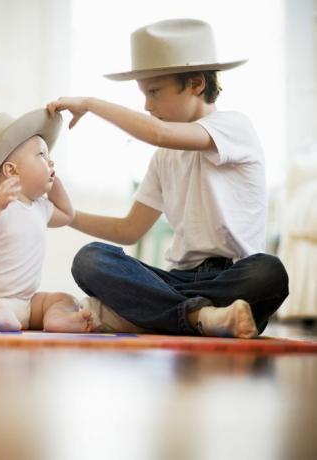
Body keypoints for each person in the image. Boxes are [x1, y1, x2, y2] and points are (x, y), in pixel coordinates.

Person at [46, 18, 289, 338]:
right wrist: (70, 217)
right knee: (89, 259)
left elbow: (158, 133)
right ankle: (203, 317)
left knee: (269, 272)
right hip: (178, 278)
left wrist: (91, 104)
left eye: (155, 92)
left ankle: (150, 314)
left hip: (233, 278)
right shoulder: (163, 159)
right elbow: (128, 230)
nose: (147, 105)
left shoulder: (234, 127)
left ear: (197, 84)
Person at [0, 108, 94, 333]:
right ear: (11, 171)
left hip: (24, 305)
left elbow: (67, 214)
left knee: (64, 298)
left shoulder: (40, 208)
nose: (50, 162)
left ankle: (57, 320)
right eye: (42, 156)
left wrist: (54, 181)